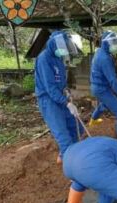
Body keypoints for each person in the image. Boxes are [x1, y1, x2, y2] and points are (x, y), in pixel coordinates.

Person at [35, 31, 83, 164]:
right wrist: (67, 103)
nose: (63, 50)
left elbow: (60, 80)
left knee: (76, 126)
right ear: (53, 45)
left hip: (60, 97)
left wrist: (66, 90)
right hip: (49, 101)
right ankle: (72, 167)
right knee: (62, 134)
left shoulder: (58, 58)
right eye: (62, 47)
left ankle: (66, 155)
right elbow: (50, 88)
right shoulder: (44, 59)